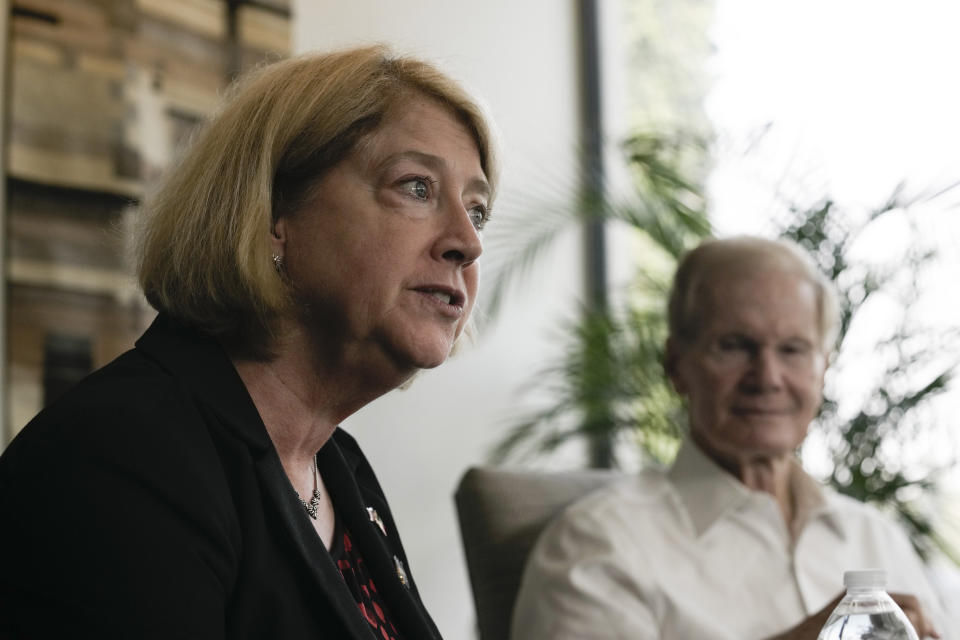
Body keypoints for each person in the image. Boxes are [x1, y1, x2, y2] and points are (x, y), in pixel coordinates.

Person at [0, 44, 497, 639]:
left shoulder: (340, 470)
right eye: (416, 187)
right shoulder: (120, 456)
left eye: (478, 210)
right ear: (272, 215)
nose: (468, 242)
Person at [510, 237, 953, 640]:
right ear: (677, 365)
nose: (767, 377)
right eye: (736, 345)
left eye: (793, 350)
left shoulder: (873, 535)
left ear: (824, 369)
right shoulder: (598, 544)